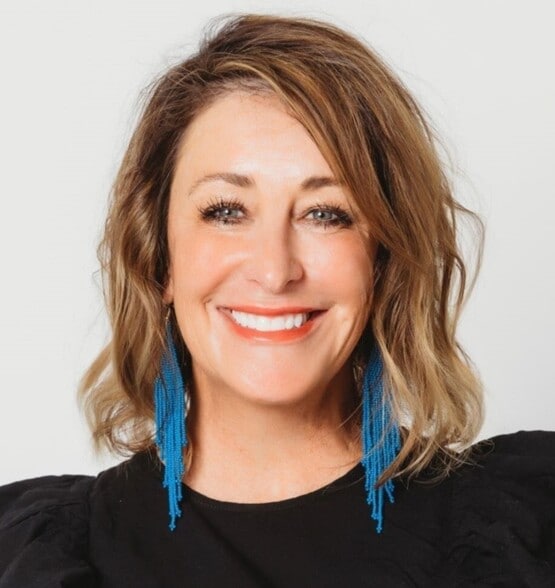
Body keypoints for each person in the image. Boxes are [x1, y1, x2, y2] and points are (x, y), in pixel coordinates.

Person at [0, 13, 553, 587]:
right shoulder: (32, 555)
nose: (275, 270)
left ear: (383, 261)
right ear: (159, 259)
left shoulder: (525, 527)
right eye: (226, 211)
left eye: (326, 214)